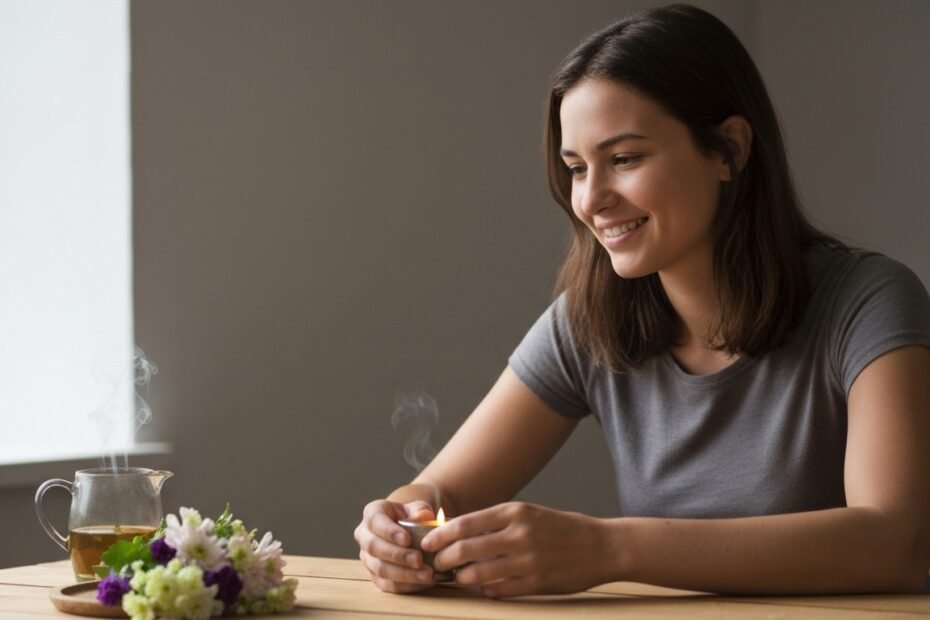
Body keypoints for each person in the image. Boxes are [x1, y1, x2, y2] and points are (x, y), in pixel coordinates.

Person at [354, 3, 930, 597]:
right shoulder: (589, 319)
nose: (591, 200)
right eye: (577, 168)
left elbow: (896, 543)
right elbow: (440, 491)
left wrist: (609, 548)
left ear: (728, 150)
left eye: (624, 159)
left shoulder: (869, 302)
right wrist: (398, 523)